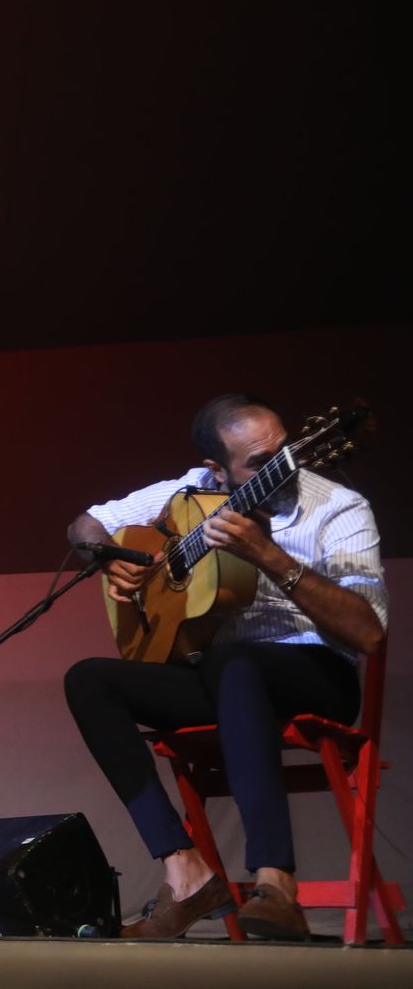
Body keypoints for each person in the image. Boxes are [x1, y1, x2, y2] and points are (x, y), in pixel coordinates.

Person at [63, 394, 388, 940]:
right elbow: (87, 524)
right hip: (223, 679)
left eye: (284, 451)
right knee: (89, 680)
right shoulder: (189, 492)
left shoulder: (338, 507)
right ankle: (185, 872)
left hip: (315, 674)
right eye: (259, 463)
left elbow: (368, 633)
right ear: (217, 470)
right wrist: (111, 558)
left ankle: (275, 882)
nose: (282, 467)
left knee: (233, 660)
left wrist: (271, 557)